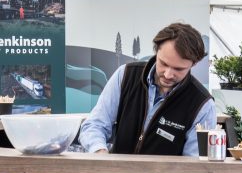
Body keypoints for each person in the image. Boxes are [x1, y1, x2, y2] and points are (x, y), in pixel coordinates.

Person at [79, 22, 217, 156]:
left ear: (194, 64)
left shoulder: (202, 105)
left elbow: (194, 165)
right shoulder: (125, 75)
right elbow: (95, 125)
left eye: (178, 69)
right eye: (163, 63)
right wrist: (100, 153)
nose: (168, 74)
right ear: (156, 51)